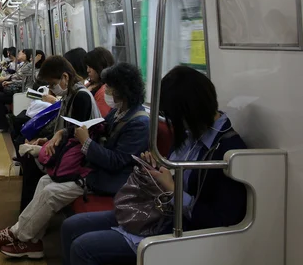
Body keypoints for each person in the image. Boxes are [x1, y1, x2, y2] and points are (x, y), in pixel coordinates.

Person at [61, 65, 247, 265]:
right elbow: (173, 174)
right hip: (157, 212)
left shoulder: (227, 153)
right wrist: (156, 171)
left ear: (191, 110)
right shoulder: (190, 135)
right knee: (71, 226)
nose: (176, 123)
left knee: (83, 248)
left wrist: (172, 189)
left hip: (179, 229)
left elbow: (218, 220)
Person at [0, 60, 150, 259]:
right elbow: (99, 129)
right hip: (94, 167)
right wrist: (66, 132)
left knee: (52, 192)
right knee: (45, 181)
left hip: (109, 179)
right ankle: (32, 241)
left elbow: (116, 162)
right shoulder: (119, 112)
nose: (108, 93)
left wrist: (86, 142)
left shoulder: (139, 123)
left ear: (123, 90)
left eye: (111, 88)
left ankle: (17, 234)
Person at [0, 49, 36, 132]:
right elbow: (18, 77)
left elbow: (20, 77)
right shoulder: (23, 64)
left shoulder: (29, 67)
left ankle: (1, 125)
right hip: (21, 89)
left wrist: (9, 81)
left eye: (21, 53)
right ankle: (0, 122)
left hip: (24, 93)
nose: (19, 54)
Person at [84, 47, 115, 117]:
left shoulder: (105, 90)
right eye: (87, 66)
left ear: (101, 66)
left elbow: (99, 118)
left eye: (91, 67)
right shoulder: (90, 83)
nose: (88, 70)